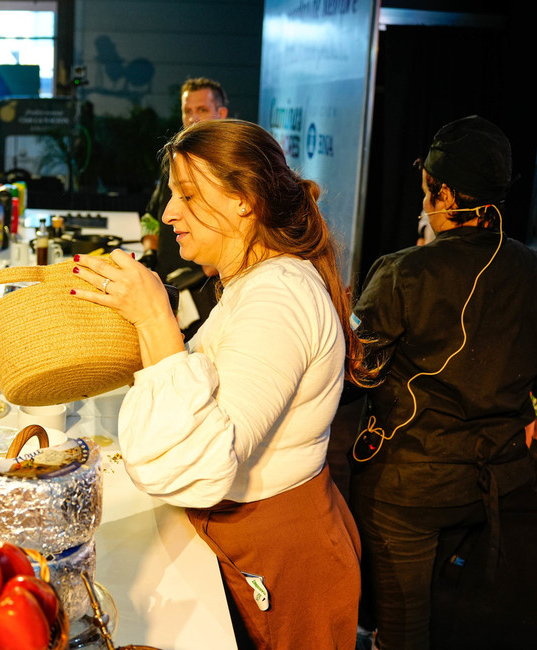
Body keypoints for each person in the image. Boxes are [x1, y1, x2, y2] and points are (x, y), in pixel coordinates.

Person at [71, 119, 365, 649]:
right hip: (255, 546)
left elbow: (207, 459)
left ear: (244, 201)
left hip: (283, 562)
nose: (168, 213)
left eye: (186, 194)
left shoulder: (279, 298)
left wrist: (157, 319)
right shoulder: (254, 284)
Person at [349, 115, 537, 649]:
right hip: (494, 485)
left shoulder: (404, 272)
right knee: (456, 614)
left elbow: (358, 370)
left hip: (405, 489)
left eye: (428, 188)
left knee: (404, 630)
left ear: (445, 193)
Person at [141, 77, 229, 339]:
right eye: (187, 111)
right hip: (167, 282)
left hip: (204, 290)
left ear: (221, 113)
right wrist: (148, 253)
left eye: (202, 110)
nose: (193, 118)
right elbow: (151, 214)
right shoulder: (173, 160)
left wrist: (193, 276)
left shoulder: (229, 166)